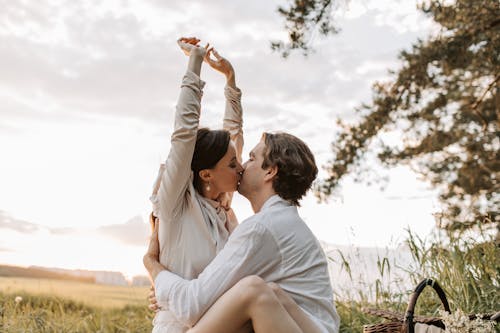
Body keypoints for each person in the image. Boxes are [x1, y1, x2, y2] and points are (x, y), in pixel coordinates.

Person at [144, 132, 341, 333]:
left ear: (270, 172)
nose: (242, 166)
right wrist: (165, 292)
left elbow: (191, 306)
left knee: (254, 290)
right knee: (267, 291)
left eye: (252, 158)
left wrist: (153, 266)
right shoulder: (283, 222)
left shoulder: (262, 227)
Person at [146, 37, 244, 332]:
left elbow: (233, 137)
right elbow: (184, 134)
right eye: (232, 164)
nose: (241, 168)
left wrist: (230, 80)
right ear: (205, 174)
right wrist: (195, 63)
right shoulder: (176, 204)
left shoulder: (224, 213)